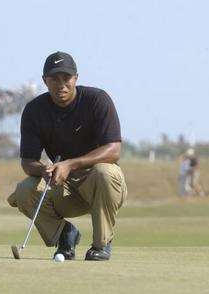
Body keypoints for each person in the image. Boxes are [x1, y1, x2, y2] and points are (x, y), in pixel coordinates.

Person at [7, 52, 127, 261]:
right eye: (54, 78)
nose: (61, 84)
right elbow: (28, 162)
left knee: (104, 172)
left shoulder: (97, 100)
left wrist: (70, 164)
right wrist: (44, 169)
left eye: (66, 78)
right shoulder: (34, 110)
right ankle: (66, 235)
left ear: (76, 79)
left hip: (102, 187)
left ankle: (102, 244)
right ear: (45, 80)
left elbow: (114, 150)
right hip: (63, 187)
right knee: (24, 191)